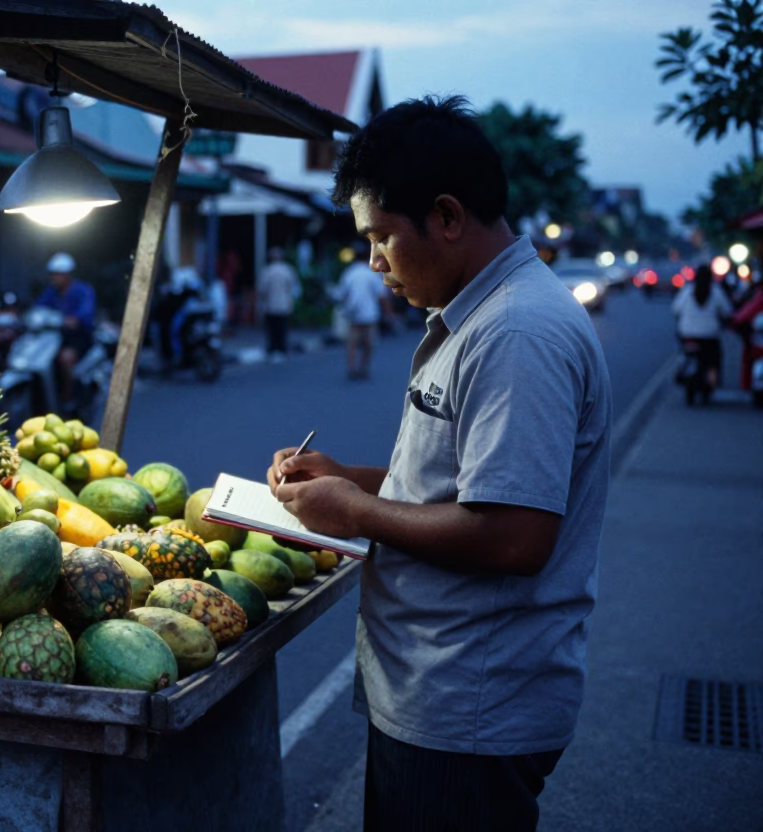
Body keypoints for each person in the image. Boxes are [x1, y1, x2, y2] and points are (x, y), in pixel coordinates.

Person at [266, 95, 612, 832]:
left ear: (448, 218)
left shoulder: (516, 331)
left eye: (382, 237)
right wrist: (342, 477)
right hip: (440, 692)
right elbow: (450, 485)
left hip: (471, 704)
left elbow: (515, 536)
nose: (374, 263)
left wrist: (353, 512)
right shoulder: (477, 316)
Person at [34, 252, 96, 411]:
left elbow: (85, 314)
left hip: (78, 337)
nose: (55, 278)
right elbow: (39, 308)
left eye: (58, 274)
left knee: (65, 359)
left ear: (68, 275)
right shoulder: (50, 292)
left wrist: (73, 320)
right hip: (54, 338)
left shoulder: (82, 290)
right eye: (53, 274)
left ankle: (68, 399)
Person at [672, 263, 733, 403]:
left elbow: (675, 310)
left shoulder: (687, 291)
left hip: (687, 335)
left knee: (684, 354)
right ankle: (712, 382)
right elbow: (728, 311)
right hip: (709, 337)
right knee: (713, 360)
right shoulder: (716, 292)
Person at [336, 239, 394, 379]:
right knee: (369, 344)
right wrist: (389, 313)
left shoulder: (349, 273)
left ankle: (351, 368)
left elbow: (342, 294)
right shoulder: (372, 273)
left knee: (352, 343)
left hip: (353, 314)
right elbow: (381, 296)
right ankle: (363, 367)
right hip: (370, 315)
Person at [255, 246, 300, 361]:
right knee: (282, 328)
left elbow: (261, 290)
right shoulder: (288, 270)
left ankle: (273, 349)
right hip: (284, 304)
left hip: (271, 305)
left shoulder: (267, 271)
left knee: (272, 329)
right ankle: (282, 349)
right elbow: (295, 288)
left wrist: (260, 304)